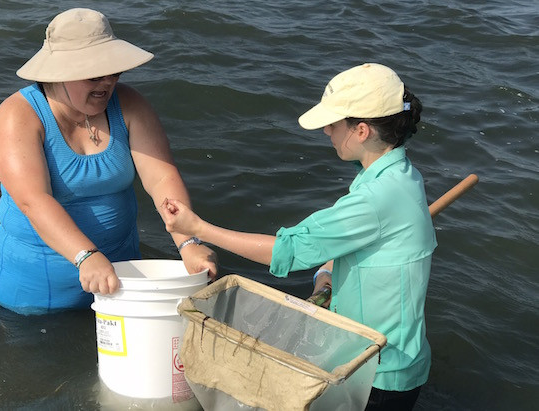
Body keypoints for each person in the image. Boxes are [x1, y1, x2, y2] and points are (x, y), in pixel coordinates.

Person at [159, 63, 435, 411]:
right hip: (395, 361)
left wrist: (197, 229)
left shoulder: (376, 198)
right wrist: (326, 277)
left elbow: (288, 252)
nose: (326, 131)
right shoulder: (403, 176)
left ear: (361, 130)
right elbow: (371, 247)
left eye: (332, 124)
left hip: (378, 376)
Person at [0, 8, 217, 315]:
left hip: (122, 285)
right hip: (37, 297)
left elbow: (161, 178)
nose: (108, 82)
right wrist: (86, 255)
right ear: (60, 72)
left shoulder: (130, 104)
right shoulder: (17, 116)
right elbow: (33, 200)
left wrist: (189, 242)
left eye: (114, 71)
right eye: (94, 74)